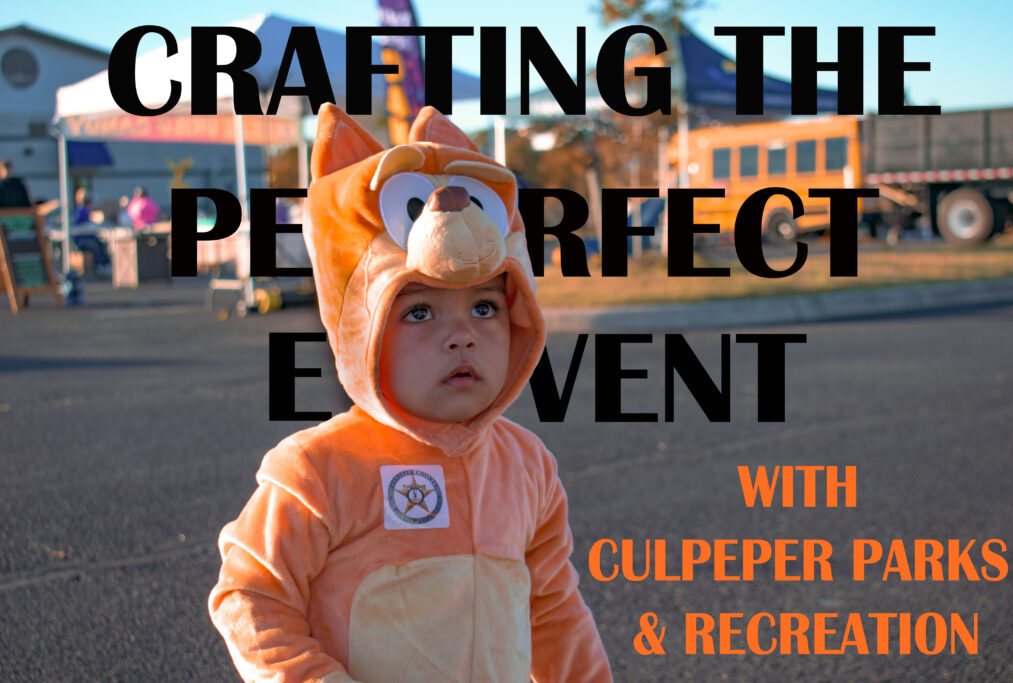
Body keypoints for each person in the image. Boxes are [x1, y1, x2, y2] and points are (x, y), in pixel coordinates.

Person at [209, 105, 612, 682]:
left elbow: (553, 612)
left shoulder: (527, 467)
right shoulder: (320, 469)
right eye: (419, 310)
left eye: (484, 307)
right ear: (361, 329)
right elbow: (250, 597)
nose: (462, 337)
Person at [71, 188, 111, 276]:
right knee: (95, 246)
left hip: (89, 237)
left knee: (101, 244)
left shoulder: (86, 210)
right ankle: (101, 266)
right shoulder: (81, 211)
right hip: (81, 240)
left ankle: (105, 264)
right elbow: (81, 227)